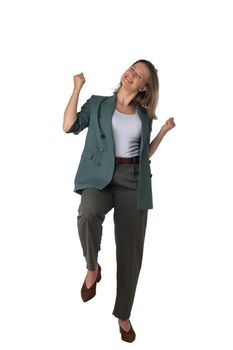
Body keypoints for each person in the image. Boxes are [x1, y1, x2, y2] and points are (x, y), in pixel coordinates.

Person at [63, 59, 176, 342]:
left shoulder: (143, 117)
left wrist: (162, 132)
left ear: (144, 87)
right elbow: (68, 126)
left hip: (133, 180)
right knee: (88, 213)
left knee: (130, 251)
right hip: (98, 175)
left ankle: (123, 314)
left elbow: (143, 155)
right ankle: (92, 267)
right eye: (132, 69)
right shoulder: (99, 103)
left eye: (139, 76)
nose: (132, 75)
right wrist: (76, 88)